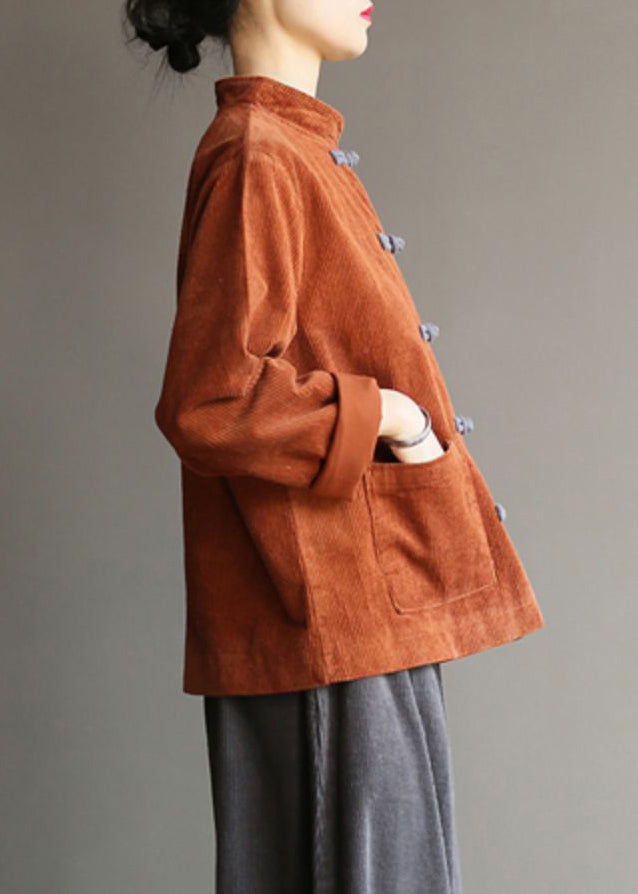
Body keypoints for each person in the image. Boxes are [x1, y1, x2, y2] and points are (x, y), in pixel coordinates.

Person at [124, 1, 545, 891]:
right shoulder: (258, 154)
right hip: (328, 624)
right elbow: (210, 398)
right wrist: (391, 416)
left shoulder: (288, 148)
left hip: (355, 621)